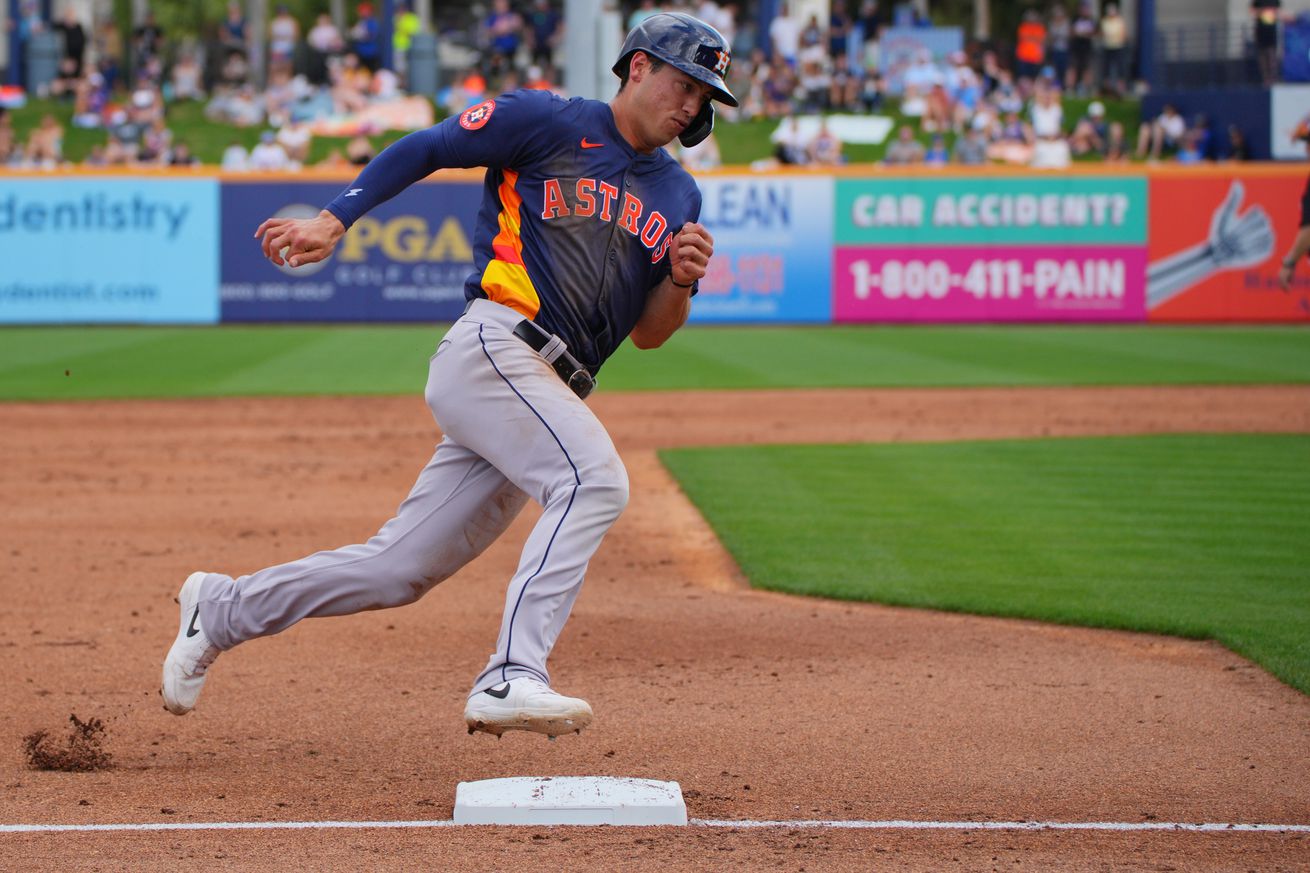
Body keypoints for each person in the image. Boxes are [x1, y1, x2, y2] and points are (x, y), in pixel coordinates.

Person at [161, 12, 731, 741]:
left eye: (704, 96)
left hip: (547, 389)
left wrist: (680, 282)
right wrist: (338, 219)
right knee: (594, 480)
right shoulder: (547, 120)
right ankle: (512, 674)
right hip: (497, 345)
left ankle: (224, 607)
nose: (692, 105)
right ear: (639, 67)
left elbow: (650, 334)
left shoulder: (679, 196)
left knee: (397, 569)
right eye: (685, 83)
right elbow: (432, 145)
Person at [1252, 0, 1282, 87]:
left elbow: (1278, 12)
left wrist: (1272, 13)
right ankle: (1266, 79)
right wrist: (1262, 12)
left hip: (1271, 32)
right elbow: (1253, 11)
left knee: (1272, 56)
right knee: (1262, 57)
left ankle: (1273, 79)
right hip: (1261, 32)